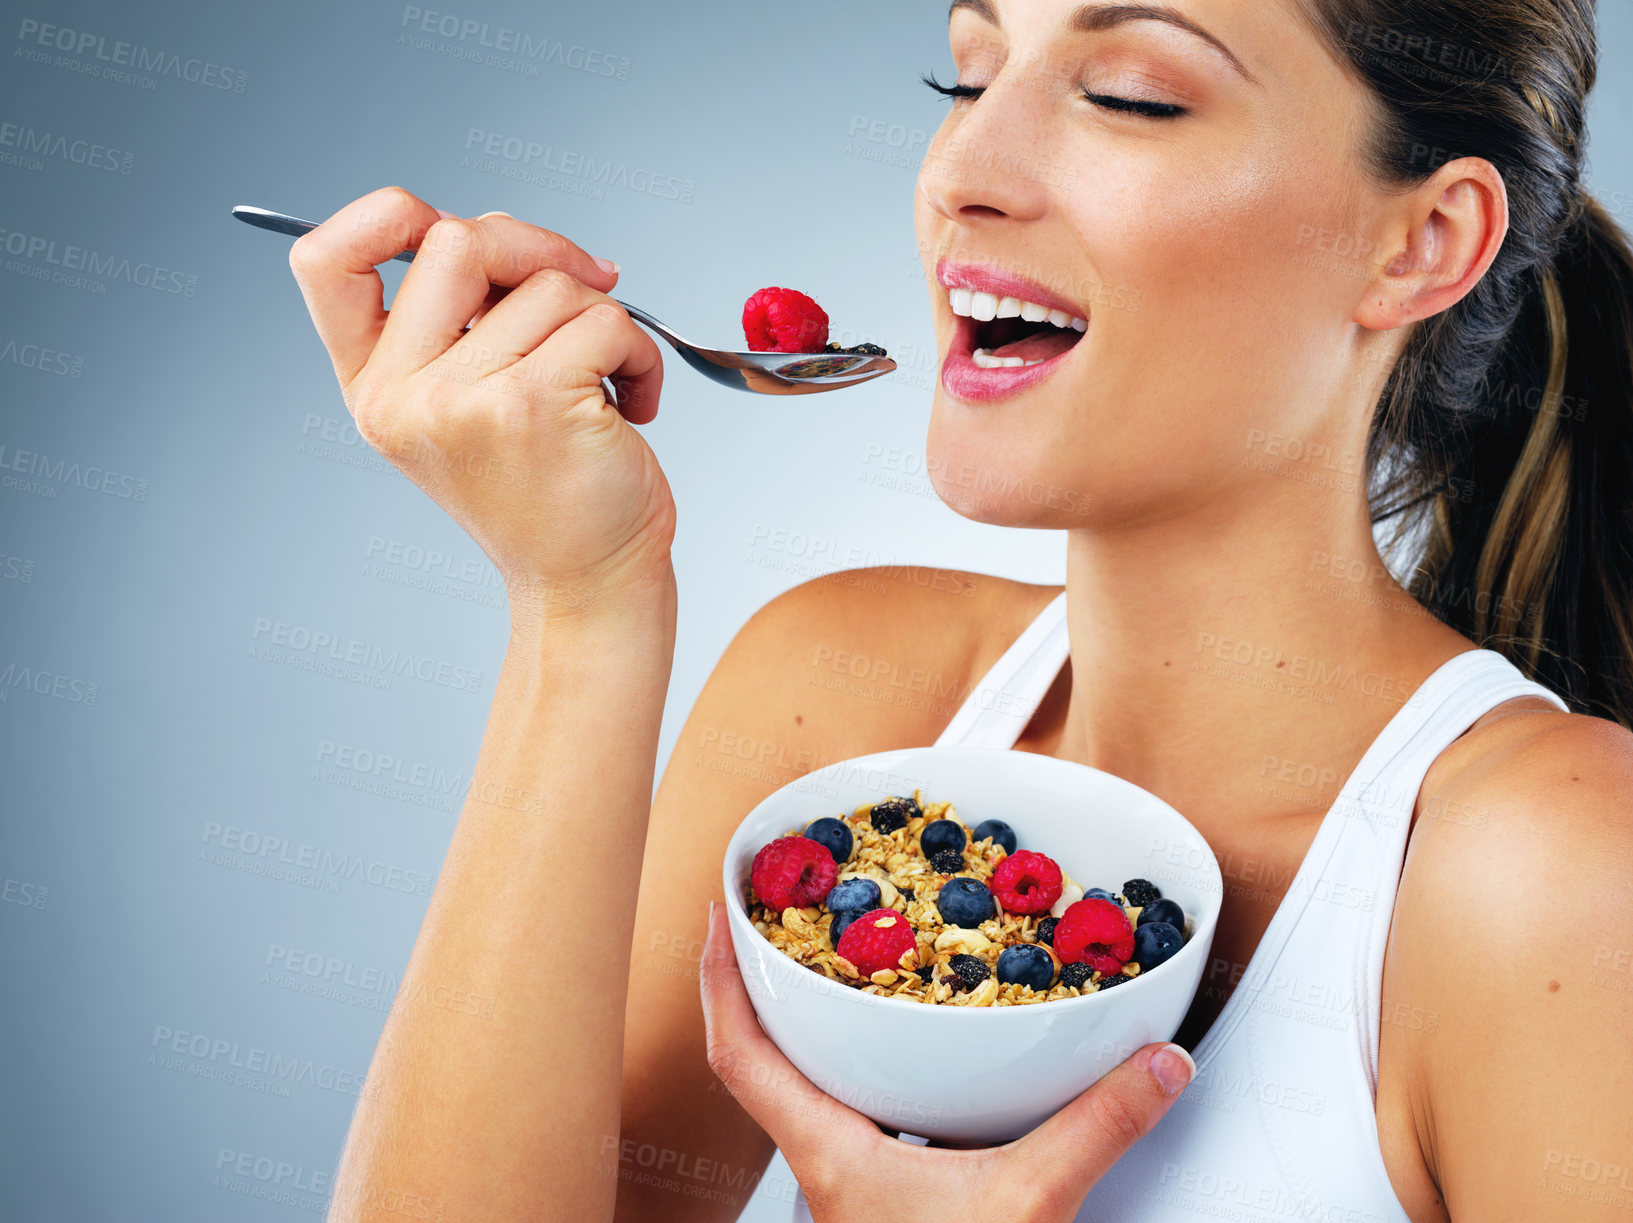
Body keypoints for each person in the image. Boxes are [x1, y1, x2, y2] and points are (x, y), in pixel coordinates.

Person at [286, 0, 1633, 1220]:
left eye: (1128, 97)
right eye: (966, 78)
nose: (961, 175)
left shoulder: (1558, 868)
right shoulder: (847, 696)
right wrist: (579, 600)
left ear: (1420, 242)